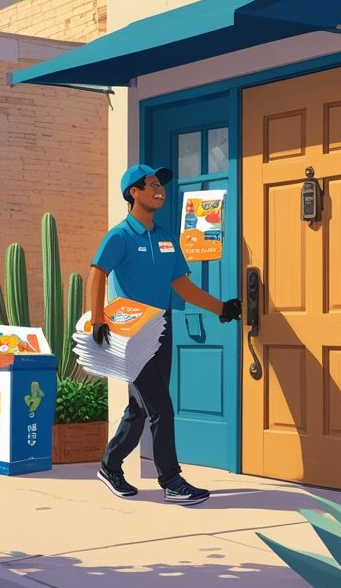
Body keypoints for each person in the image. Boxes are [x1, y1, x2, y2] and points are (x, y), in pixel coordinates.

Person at [88, 164, 242, 505]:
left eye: (161, 185)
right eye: (152, 184)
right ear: (134, 193)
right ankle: (171, 480)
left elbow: (182, 286)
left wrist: (221, 309)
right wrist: (98, 320)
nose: (160, 190)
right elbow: (97, 273)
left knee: (140, 408)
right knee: (161, 406)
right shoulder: (120, 236)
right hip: (131, 330)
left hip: (161, 327)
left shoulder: (167, 237)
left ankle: (110, 466)